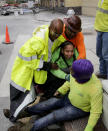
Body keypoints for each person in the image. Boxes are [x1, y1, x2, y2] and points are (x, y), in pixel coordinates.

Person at [8, 59, 103, 131]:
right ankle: (19, 113)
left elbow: (96, 112)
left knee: (54, 115)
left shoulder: (95, 89)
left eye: (74, 76)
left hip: (78, 109)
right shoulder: (77, 74)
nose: (71, 76)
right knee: (46, 104)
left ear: (81, 78)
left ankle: (23, 129)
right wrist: (61, 90)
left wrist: (88, 129)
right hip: (68, 99)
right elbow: (69, 82)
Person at [3, 18, 64, 123]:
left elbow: (59, 42)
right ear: (50, 28)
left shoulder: (55, 37)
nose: (56, 36)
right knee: (23, 96)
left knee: (31, 95)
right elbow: (29, 60)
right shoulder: (38, 41)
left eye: (59, 34)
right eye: (55, 33)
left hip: (38, 72)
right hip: (25, 73)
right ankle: (14, 116)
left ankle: (14, 113)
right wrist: (48, 66)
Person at [94, 0, 108, 79]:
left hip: (107, 30)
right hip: (100, 29)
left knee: (106, 55)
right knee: (99, 53)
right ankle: (103, 72)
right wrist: (97, 26)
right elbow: (99, 13)